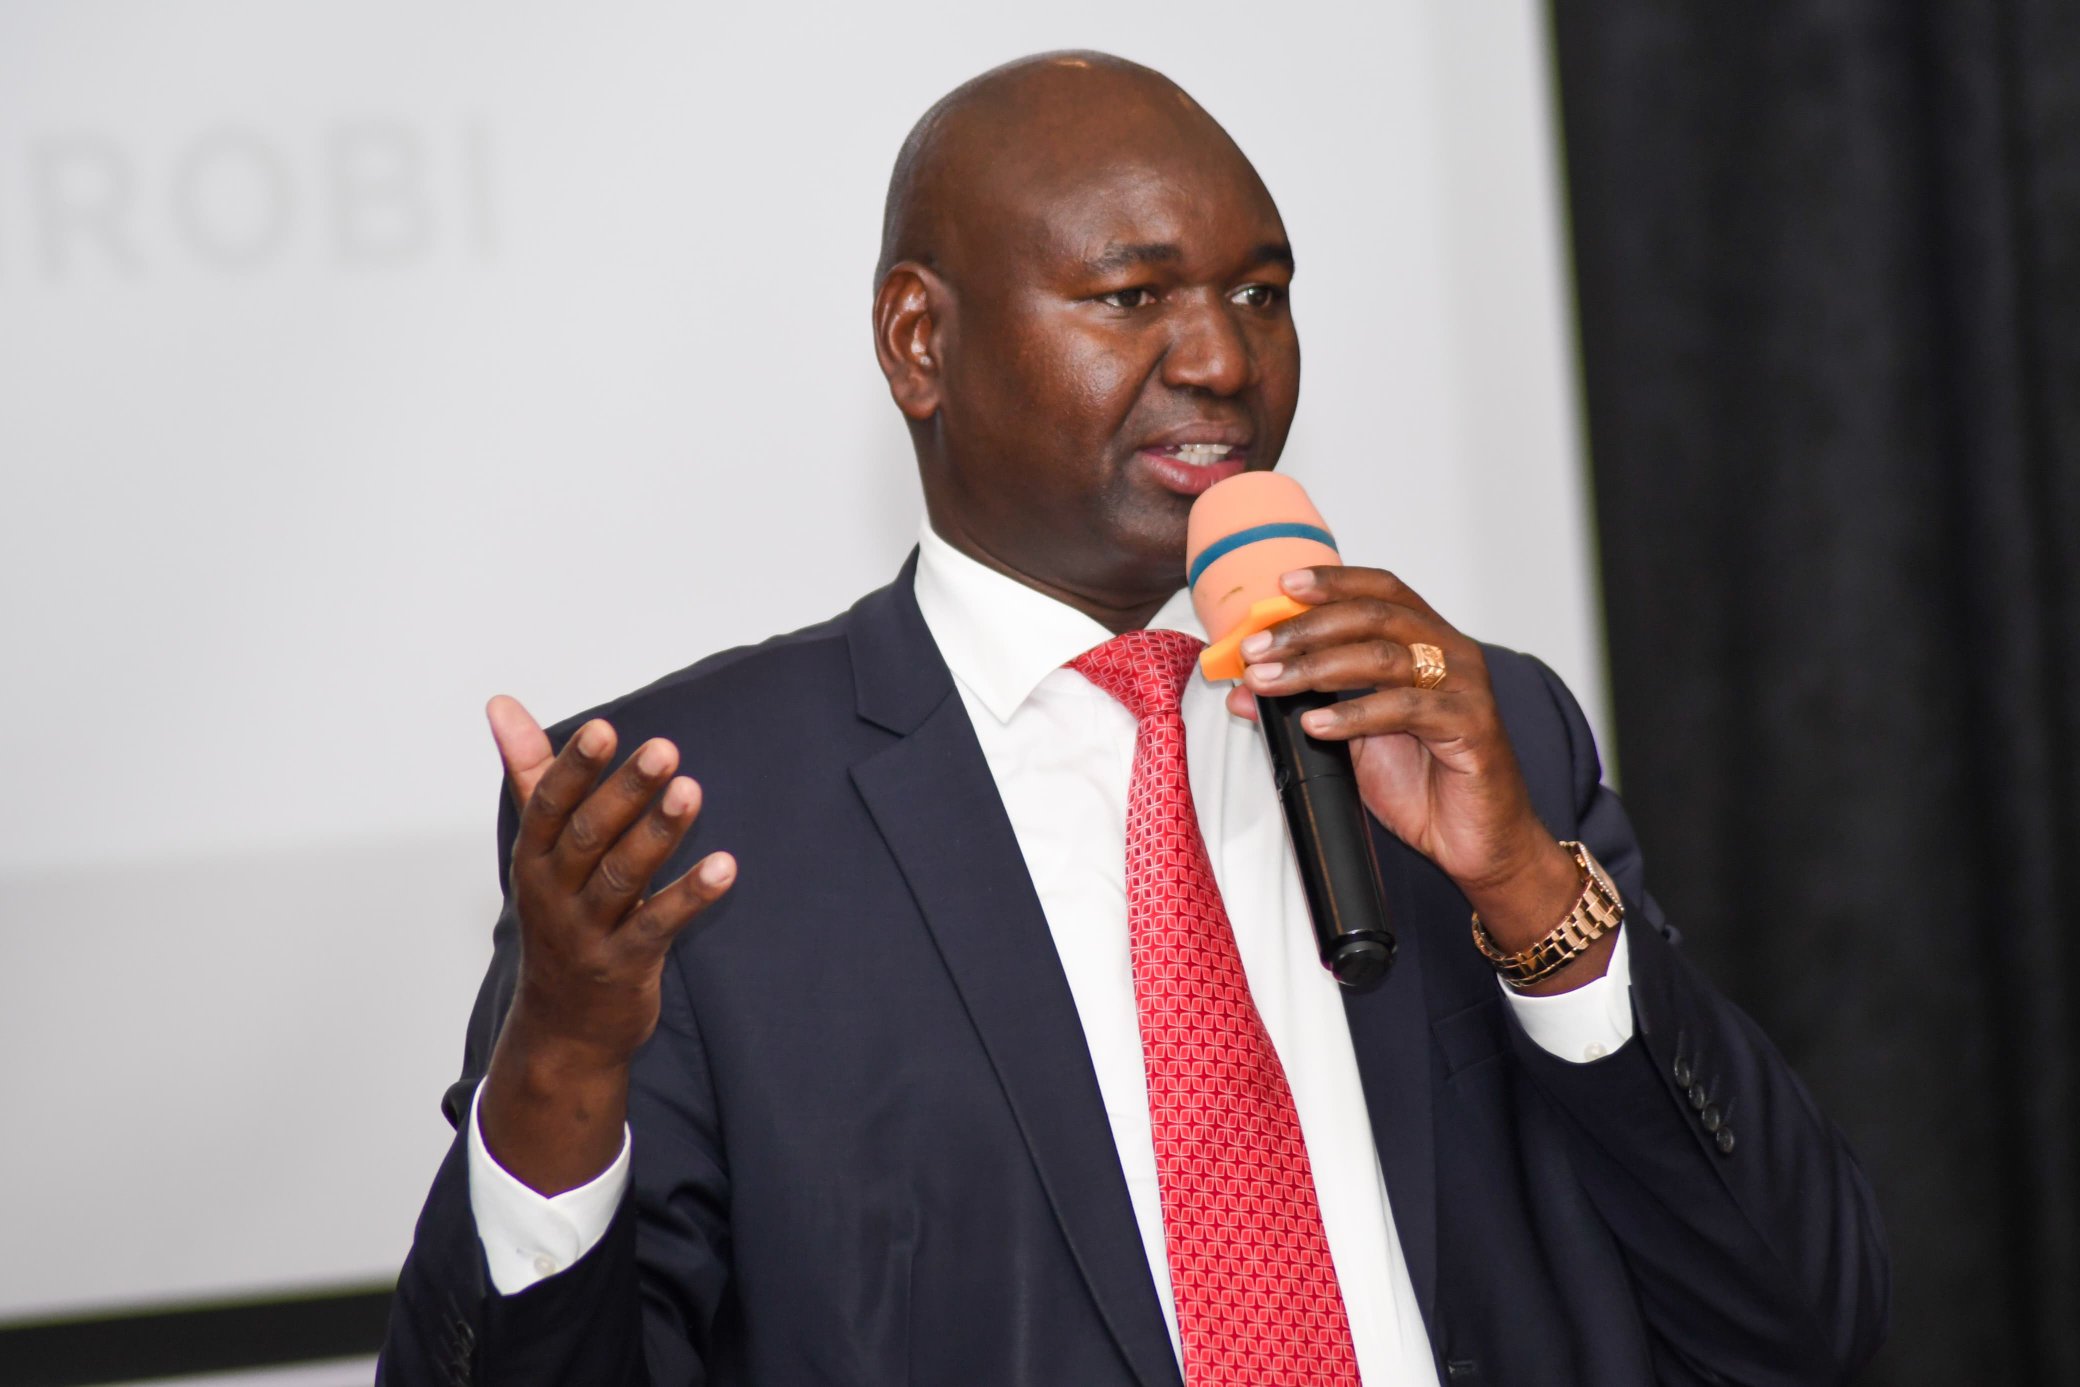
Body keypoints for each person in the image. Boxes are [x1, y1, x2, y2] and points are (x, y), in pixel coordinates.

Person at [379, 51, 1888, 1387]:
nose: (1224, 360)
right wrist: (560, 1067)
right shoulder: (697, 817)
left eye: (1261, 293)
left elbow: (1804, 1328)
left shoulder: (1472, 732)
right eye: (1133, 297)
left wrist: (1535, 898)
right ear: (919, 342)